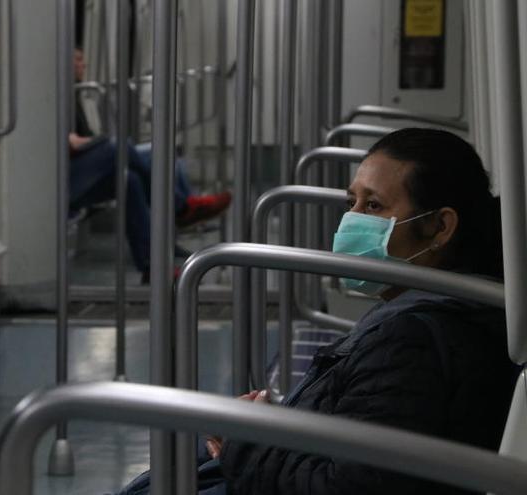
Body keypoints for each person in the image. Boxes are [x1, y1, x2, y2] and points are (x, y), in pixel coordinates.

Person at [116, 128, 520, 494]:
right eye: (352, 202)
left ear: (440, 228)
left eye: (374, 206)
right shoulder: (439, 312)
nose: (351, 222)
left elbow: (348, 489)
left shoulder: (414, 342)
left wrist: (247, 442)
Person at [70, 48, 231, 281]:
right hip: (64, 178)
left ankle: (152, 266)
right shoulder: (54, 97)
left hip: (81, 168)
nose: (83, 65)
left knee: (132, 179)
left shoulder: (76, 95)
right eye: (77, 60)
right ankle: (181, 208)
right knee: (119, 146)